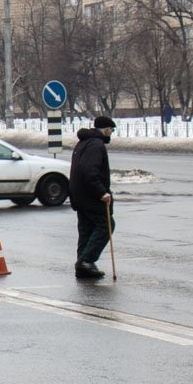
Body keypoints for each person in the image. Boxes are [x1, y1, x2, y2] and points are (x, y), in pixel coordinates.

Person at [69, 115, 116, 280]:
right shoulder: (96, 145)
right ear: (104, 130)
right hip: (90, 196)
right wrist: (101, 192)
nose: (110, 134)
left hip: (79, 195)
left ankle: (82, 266)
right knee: (106, 225)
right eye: (110, 130)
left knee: (86, 229)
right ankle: (86, 261)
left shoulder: (84, 142)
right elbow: (90, 171)